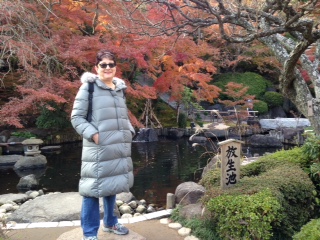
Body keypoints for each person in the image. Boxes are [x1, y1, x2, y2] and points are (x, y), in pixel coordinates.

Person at [71, 50, 135, 240]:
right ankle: (89, 234)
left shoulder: (119, 88)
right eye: (103, 64)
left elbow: (123, 115)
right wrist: (95, 135)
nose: (108, 67)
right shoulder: (88, 88)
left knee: (112, 185)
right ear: (96, 68)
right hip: (98, 148)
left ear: (115, 67)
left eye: (111, 64)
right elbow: (77, 118)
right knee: (92, 190)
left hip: (117, 146)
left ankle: (110, 222)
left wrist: (129, 131)